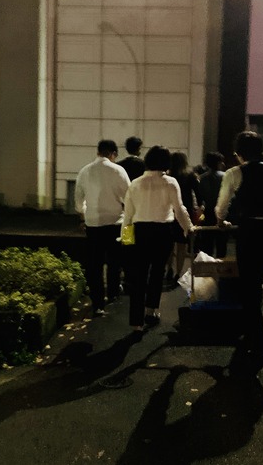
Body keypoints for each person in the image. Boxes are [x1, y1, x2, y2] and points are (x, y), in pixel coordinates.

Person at [216, 131, 263, 372]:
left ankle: (256, 343)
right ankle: (252, 332)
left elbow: (222, 205)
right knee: (254, 283)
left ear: (239, 153)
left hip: (250, 232)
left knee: (249, 285)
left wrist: (221, 220)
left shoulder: (235, 173)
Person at [122, 146, 194, 333]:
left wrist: (126, 240)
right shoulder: (170, 182)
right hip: (163, 232)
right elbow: (179, 209)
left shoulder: (135, 183)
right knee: (157, 272)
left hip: (140, 231)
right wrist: (188, 228)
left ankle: (136, 322)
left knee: (139, 275)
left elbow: (128, 215)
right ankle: (151, 310)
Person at [75, 139, 131, 315]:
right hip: (115, 222)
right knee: (114, 260)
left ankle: (97, 303)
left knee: (95, 264)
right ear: (113, 154)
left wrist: (84, 215)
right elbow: (129, 197)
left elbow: (78, 201)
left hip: (93, 224)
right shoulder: (118, 170)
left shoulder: (85, 171)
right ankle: (113, 293)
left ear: (98, 152)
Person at [167, 151, 202, 283]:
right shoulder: (190, 176)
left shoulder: (167, 176)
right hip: (184, 211)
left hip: (169, 212)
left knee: (169, 245)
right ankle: (178, 272)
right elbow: (198, 194)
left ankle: (169, 269)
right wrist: (200, 207)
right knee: (181, 245)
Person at [196, 151, 227, 258]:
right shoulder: (225, 177)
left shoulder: (202, 178)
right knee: (221, 245)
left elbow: (200, 197)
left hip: (208, 213)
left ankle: (207, 265)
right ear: (218, 163)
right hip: (222, 213)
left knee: (207, 244)